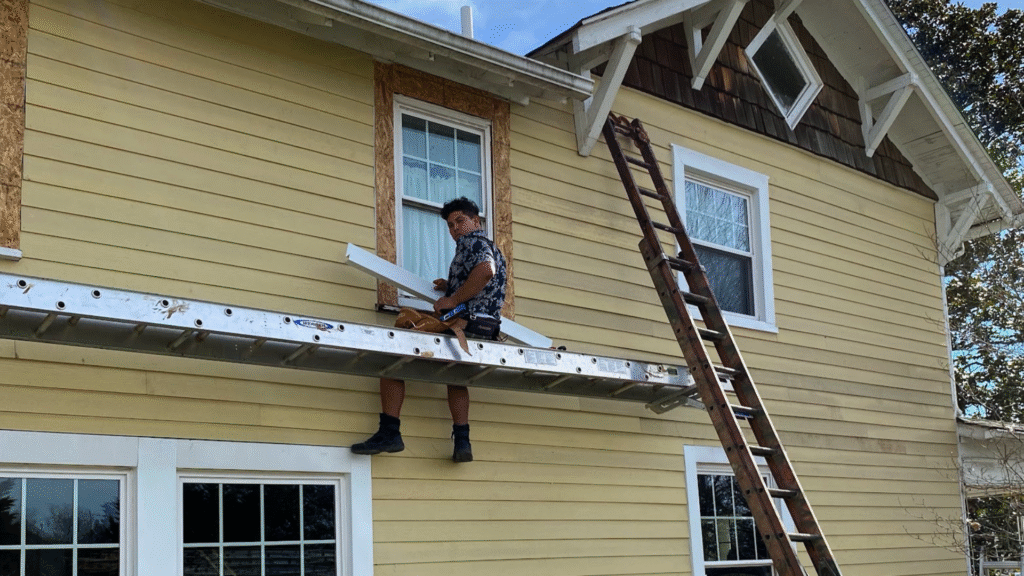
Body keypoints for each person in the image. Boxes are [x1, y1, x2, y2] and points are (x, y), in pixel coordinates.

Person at [351, 197, 507, 462]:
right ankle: (462, 441)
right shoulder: (488, 247)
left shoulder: (474, 242)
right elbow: (483, 281)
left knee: (393, 354)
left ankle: (390, 431)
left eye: (460, 221)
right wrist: (452, 285)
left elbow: (485, 271)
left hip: (465, 319)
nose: (455, 228)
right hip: (486, 324)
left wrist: (453, 300)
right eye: (450, 225)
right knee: (456, 375)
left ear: (476, 222)